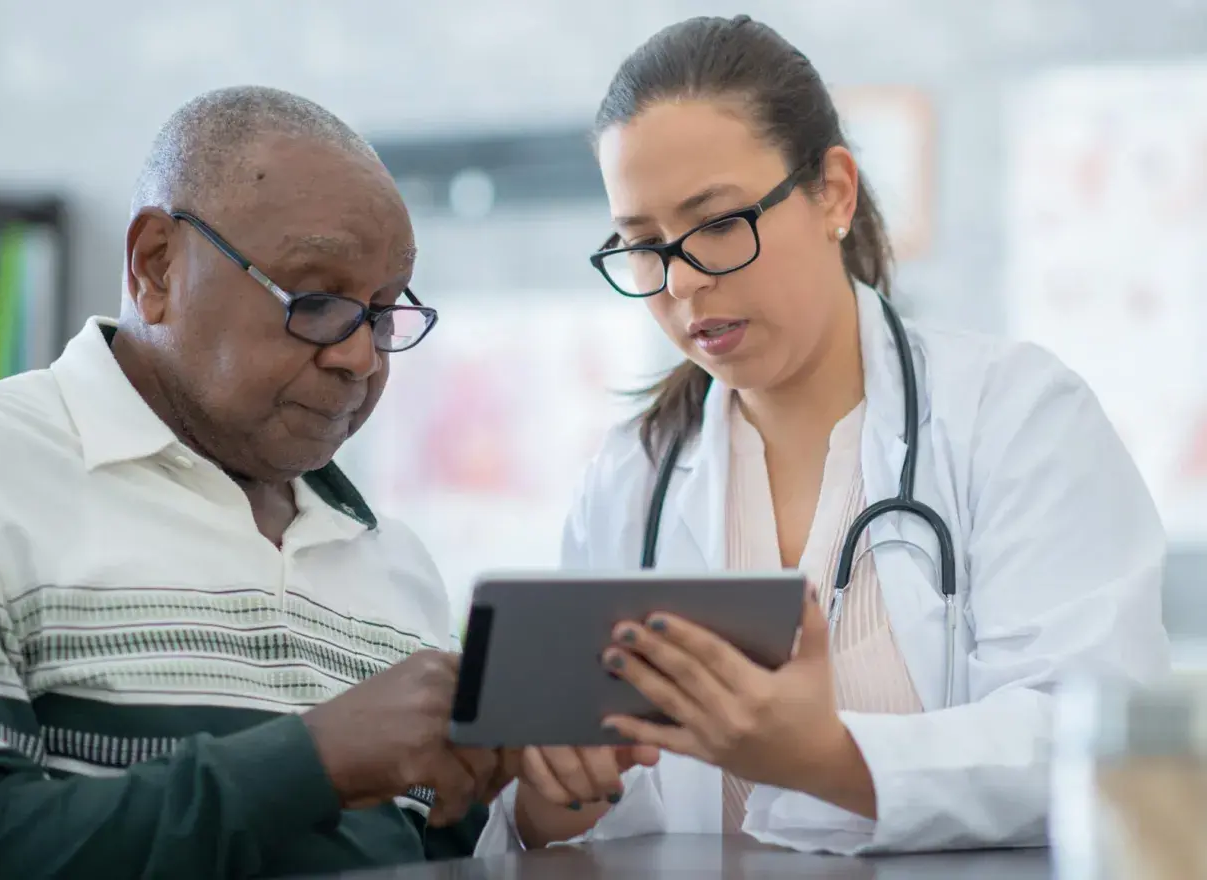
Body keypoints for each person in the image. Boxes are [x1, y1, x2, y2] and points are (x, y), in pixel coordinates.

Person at [476, 15, 1171, 855]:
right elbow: (591, 820)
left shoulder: (1017, 416)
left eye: (721, 222)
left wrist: (826, 758)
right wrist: (554, 801)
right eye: (643, 245)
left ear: (834, 192)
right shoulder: (631, 480)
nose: (683, 280)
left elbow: (1093, 743)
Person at [0, 86, 533, 878]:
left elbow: (412, 849)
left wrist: (526, 812)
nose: (360, 358)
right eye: (318, 300)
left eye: (384, 312)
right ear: (156, 264)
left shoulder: (393, 562)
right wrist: (311, 761)